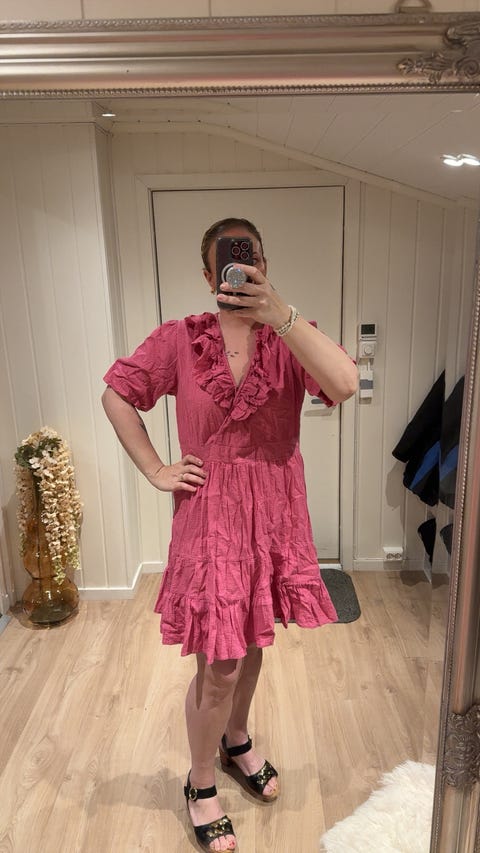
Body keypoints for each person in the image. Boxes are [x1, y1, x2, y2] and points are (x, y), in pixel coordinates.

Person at [102, 217, 358, 852]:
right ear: (208, 275)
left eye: (253, 261)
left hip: (273, 516)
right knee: (219, 663)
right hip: (210, 515)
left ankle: (236, 738)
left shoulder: (291, 336)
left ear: (265, 264)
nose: (243, 272)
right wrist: (156, 469)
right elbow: (116, 394)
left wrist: (281, 313)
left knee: (253, 640)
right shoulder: (180, 340)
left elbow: (345, 384)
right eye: (229, 264)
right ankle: (199, 781)